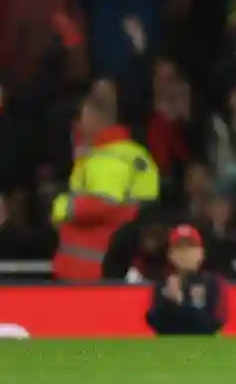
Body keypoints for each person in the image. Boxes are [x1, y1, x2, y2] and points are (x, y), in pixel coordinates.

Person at [51, 86, 160, 281]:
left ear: (94, 118)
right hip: (115, 266)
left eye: (82, 118)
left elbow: (105, 204)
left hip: (90, 272)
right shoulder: (134, 153)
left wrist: (65, 206)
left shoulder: (107, 158)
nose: (77, 125)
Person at [145, 225, 227, 336]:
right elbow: (156, 323)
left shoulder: (212, 282)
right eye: (180, 248)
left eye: (191, 248)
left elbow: (213, 324)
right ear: (170, 254)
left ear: (201, 253)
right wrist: (167, 302)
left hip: (203, 349)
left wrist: (181, 302)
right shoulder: (163, 283)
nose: (186, 253)